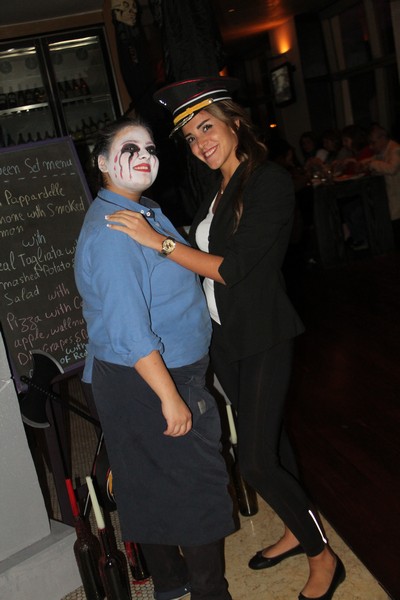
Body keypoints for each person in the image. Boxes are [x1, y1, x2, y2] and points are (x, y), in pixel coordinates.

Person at [106, 77, 346, 600]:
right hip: (225, 337)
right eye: (191, 137)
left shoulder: (268, 182)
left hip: (263, 334)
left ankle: (322, 554)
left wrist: (158, 242)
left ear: (235, 122)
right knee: (273, 446)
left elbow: (231, 269)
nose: (200, 143)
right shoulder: (218, 189)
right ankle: (296, 529)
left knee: (255, 459)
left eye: (206, 127)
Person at [74, 116, 235, 600]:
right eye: (130, 149)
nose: (145, 156)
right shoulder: (115, 232)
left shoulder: (140, 209)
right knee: (198, 485)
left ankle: (169, 582)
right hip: (151, 377)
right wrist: (170, 397)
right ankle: (209, 592)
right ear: (103, 163)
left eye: (149, 147)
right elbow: (128, 329)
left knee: (146, 480)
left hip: (138, 375)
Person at [361, 123, 400, 247]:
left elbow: (392, 168)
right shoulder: (384, 151)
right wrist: (361, 163)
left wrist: (372, 164)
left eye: (373, 142)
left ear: (383, 138)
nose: (371, 146)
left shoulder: (395, 149)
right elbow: (373, 160)